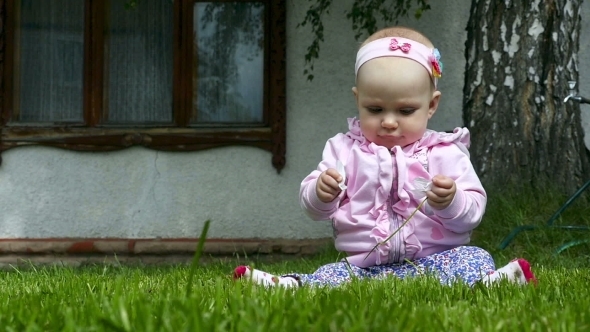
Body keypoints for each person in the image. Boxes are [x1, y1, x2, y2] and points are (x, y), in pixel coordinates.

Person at [233, 26, 537, 288]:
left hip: (435, 260)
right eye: (375, 109)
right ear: (358, 100)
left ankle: (486, 284)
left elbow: (472, 213)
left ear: (431, 105)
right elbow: (315, 210)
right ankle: (291, 286)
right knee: (332, 275)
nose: (389, 122)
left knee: (475, 257)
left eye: (405, 111)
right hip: (365, 266)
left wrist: (452, 201)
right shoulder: (343, 149)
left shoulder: (445, 152)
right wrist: (320, 192)